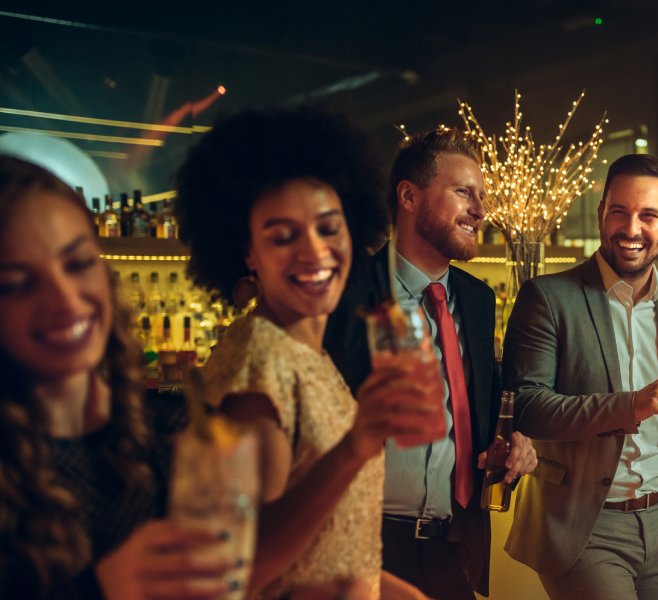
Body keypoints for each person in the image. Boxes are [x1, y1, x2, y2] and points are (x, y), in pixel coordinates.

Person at [174, 107, 433, 599]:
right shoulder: (260, 364)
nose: (315, 252)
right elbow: (241, 569)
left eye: (328, 227)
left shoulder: (307, 352)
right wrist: (356, 446)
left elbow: (331, 549)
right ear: (247, 251)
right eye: (283, 235)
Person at [0, 156, 234, 598]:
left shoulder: (175, 432)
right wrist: (100, 590)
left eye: (77, 265)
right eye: (16, 283)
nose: (66, 302)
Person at [324, 127, 538, 599]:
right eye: (464, 192)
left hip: (454, 547)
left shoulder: (479, 301)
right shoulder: (345, 292)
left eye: (480, 196)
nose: (480, 210)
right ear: (409, 196)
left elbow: (474, 415)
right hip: (364, 544)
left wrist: (506, 449)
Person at [502, 153, 658, 600]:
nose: (631, 229)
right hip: (583, 526)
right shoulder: (548, 297)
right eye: (619, 211)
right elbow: (528, 405)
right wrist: (631, 405)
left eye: (648, 215)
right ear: (601, 214)